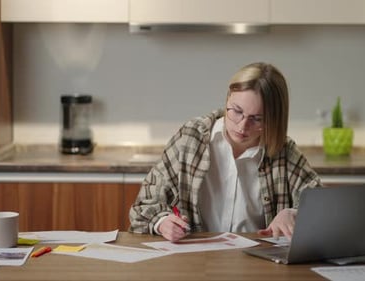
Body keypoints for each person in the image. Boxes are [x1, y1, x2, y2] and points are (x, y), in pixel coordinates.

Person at [129, 62, 321, 242]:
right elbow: (144, 204)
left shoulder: (284, 151)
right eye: (237, 111)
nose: (242, 126)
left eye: (257, 119)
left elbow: (323, 208)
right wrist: (162, 222)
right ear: (228, 98)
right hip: (194, 259)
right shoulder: (192, 138)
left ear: (274, 119)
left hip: (259, 264)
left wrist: (294, 213)